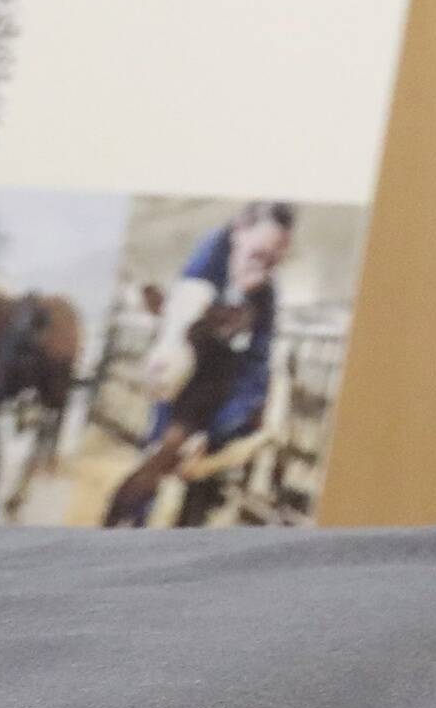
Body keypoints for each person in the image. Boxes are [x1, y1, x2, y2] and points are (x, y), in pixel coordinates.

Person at [99, 204, 294, 529]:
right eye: (259, 254)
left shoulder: (265, 298)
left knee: (202, 481)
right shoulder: (205, 267)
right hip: (185, 373)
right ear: (238, 232)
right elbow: (176, 336)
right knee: (155, 461)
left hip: (224, 385)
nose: (265, 267)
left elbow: (255, 371)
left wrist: (217, 432)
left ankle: (191, 520)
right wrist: (164, 436)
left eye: (275, 259)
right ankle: (132, 521)